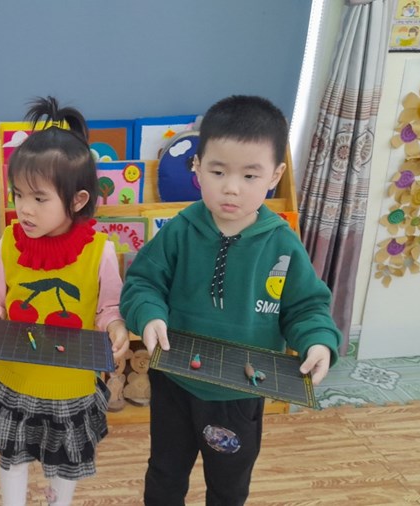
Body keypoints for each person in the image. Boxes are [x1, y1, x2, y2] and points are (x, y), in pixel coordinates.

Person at [120, 95, 341, 505]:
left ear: (275, 175)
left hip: (240, 392)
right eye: (218, 171)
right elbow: (143, 283)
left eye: (250, 175)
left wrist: (318, 341)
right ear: (196, 166)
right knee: (165, 474)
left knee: (229, 485)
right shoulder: (179, 230)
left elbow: (306, 307)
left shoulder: (282, 244)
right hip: (174, 383)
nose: (231, 188)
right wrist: (148, 315)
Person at [0, 97, 130, 506]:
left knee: (62, 464)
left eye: (39, 199)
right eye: (18, 194)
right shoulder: (10, 241)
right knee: (13, 459)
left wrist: (115, 326)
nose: (24, 209)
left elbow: (108, 308)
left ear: (77, 200)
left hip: (69, 386)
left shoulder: (101, 250)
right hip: (13, 379)